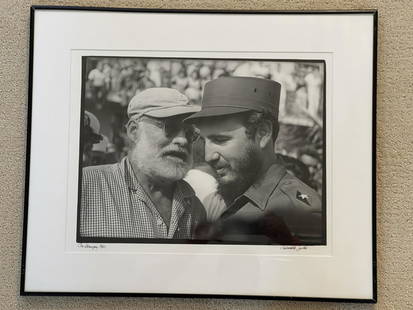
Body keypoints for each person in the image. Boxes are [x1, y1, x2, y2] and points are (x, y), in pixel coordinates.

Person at [185, 76, 323, 245]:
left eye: (220, 140)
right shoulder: (231, 195)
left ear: (263, 133)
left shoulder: (300, 213)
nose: (208, 156)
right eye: (204, 141)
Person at [79, 88, 206, 240]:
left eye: (189, 133)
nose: (183, 140)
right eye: (170, 127)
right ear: (134, 131)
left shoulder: (195, 208)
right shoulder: (85, 186)